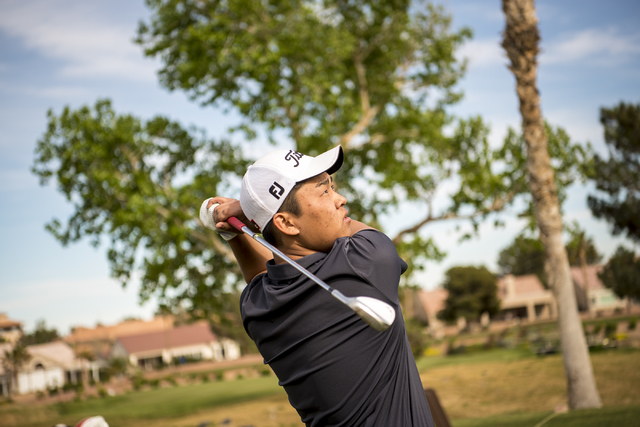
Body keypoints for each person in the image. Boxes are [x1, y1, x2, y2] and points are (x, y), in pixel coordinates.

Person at [200, 146, 434, 427]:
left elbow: (263, 272)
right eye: (324, 191)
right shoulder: (367, 261)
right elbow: (349, 230)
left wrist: (244, 221)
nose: (341, 199)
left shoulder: (255, 306)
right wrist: (240, 209)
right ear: (286, 223)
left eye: (332, 187)